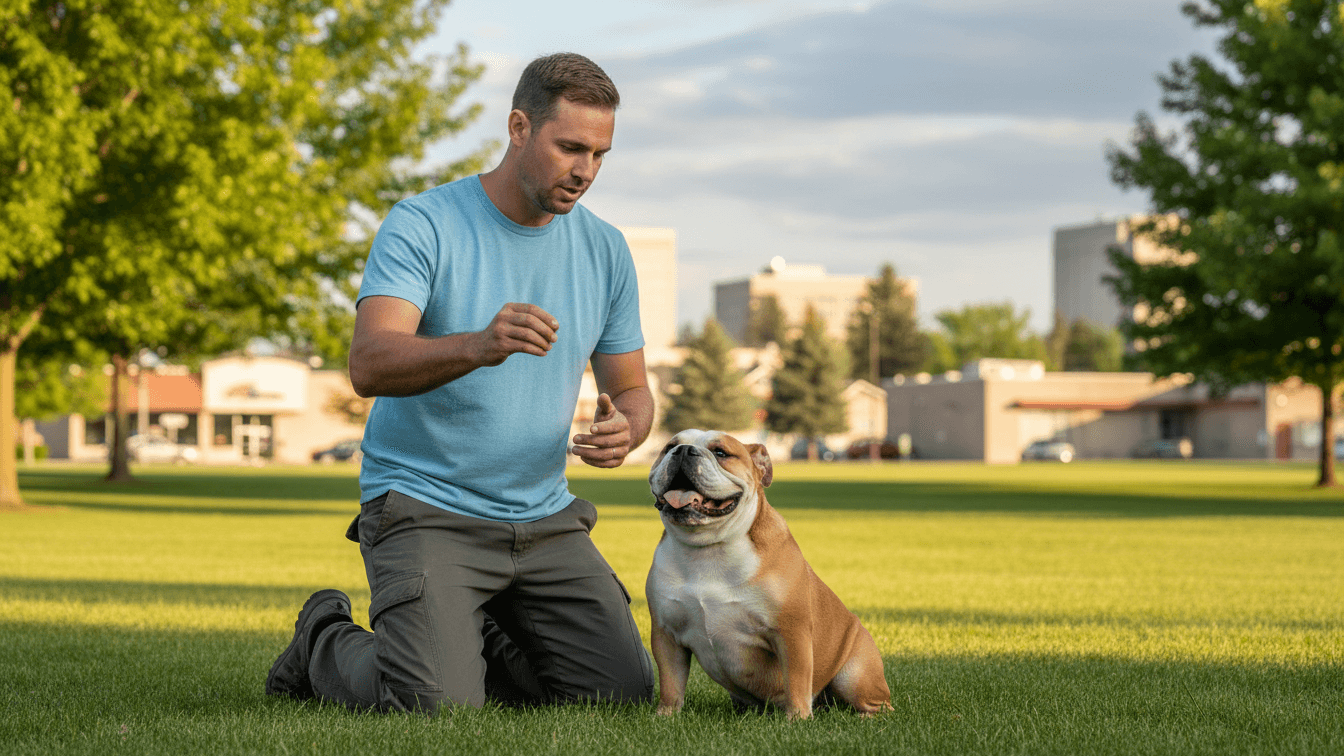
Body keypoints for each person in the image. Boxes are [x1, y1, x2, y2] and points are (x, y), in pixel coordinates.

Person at [265, 53, 655, 712]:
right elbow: (369, 364)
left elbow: (634, 390)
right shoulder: (424, 224)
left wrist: (629, 429)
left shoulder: (606, 250)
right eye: (570, 148)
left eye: (599, 154)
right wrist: (477, 345)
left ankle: (465, 628)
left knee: (620, 696)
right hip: (425, 508)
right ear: (518, 127)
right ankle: (323, 639)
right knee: (436, 709)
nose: (584, 170)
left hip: (544, 518)